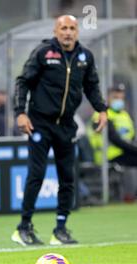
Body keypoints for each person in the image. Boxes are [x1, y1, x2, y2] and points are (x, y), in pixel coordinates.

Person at [11, 15, 108, 246]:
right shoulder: (44, 52)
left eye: (72, 28)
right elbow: (22, 81)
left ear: (77, 32)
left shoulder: (85, 57)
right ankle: (23, 228)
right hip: (39, 123)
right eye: (63, 28)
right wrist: (20, 113)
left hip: (66, 125)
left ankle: (60, 229)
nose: (68, 32)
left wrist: (102, 109)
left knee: (68, 177)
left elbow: (92, 85)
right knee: (37, 174)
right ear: (56, 31)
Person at [88, 84, 137, 200]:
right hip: (107, 155)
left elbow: (131, 137)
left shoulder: (125, 115)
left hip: (122, 153)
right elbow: (115, 140)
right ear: (107, 98)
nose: (119, 101)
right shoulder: (101, 115)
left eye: (121, 98)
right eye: (115, 97)